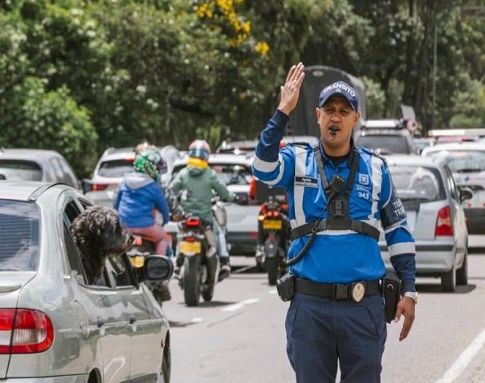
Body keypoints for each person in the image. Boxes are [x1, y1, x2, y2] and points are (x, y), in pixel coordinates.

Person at [252, 63, 417, 382]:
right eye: (329, 110)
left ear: (356, 119)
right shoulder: (296, 162)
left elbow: (398, 232)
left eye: (344, 110)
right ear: (318, 116)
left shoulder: (376, 169)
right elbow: (261, 166)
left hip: (363, 307)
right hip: (310, 309)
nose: (336, 117)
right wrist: (283, 111)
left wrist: (409, 290)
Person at [170, 139, 238, 278]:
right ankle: (225, 261)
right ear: (205, 156)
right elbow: (223, 192)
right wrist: (232, 197)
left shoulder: (183, 173)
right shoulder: (210, 174)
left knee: (181, 234)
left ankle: (177, 262)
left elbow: (171, 190)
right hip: (205, 219)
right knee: (219, 232)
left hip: (186, 217)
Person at [70, 205, 133, 285]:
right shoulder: (80, 272)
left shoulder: (74, 256)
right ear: (101, 233)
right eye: (118, 230)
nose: (127, 236)